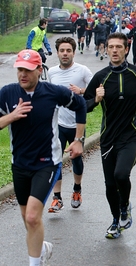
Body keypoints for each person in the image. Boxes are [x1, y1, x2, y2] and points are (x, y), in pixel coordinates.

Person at [0, 49, 86, 265]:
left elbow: (80, 105)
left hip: (47, 163)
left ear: (39, 70)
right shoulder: (7, 93)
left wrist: (78, 139)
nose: (23, 75)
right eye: (20, 70)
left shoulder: (53, 92)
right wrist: (12, 116)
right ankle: (42, 247)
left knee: (31, 216)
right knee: (28, 220)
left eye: (28, 70)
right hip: (19, 164)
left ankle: (34, 263)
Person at [83, 32, 136, 239]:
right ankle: (115, 220)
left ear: (126, 49)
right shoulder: (100, 77)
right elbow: (83, 105)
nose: (115, 50)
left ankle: (125, 206)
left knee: (121, 175)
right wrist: (96, 100)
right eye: (111, 47)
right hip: (108, 137)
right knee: (110, 184)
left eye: (119, 47)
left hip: (131, 134)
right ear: (106, 49)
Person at [47, 37, 93, 213]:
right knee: (55, 161)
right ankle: (57, 198)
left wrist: (81, 91)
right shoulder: (52, 72)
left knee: (76, 160)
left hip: (76, 125)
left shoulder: (82, 71)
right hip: (57, 124)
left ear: (73, 52)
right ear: (58, 52)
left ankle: (76, 190)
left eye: (68, 51)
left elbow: (96, 88)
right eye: (62, 51)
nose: (65, 54)